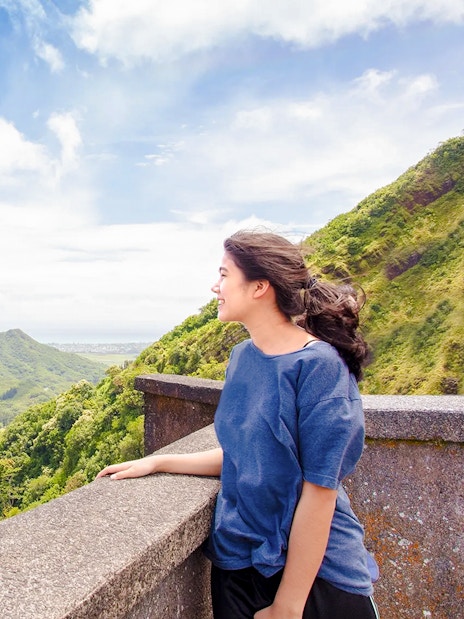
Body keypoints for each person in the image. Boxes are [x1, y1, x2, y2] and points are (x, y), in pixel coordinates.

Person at [97, 230, 380, 619]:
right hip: (237, 566)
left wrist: (288, 605)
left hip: (313, 577)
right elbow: (247, 455)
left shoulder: (320, 367)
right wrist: (158, 462)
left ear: (260, 286)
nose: (215, 286)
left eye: (224, 274)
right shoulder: (242, 357)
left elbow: (320, 490)